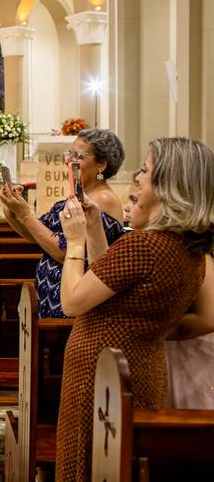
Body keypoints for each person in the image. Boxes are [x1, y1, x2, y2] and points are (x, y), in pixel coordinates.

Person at [54, 137, 214, 481]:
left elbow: (73, 301)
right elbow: (109, 286)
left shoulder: (144, 245)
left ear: (169, 184)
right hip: (139, 369)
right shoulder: (187, 248)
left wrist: (76, 241)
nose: (137, 178)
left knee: (87, 466)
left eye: (146, 169)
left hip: (100, 375)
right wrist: (94, 228)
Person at [0, 128, 126, 318]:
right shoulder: (81, 195)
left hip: (70, 301)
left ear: (101, 165)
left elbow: (64, 251)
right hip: (51, 295)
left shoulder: (103, 199)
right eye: (69, 154)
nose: (68, 161)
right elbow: (35, 235)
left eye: (78, 156)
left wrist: (25, 214)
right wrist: (12, 210)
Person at [124, 169, 214, 409]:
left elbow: (209, 318)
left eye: (135, 199)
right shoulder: (147, 243)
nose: (127, 208)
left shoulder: (193, 249)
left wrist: (154, 331)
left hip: (189, 356)